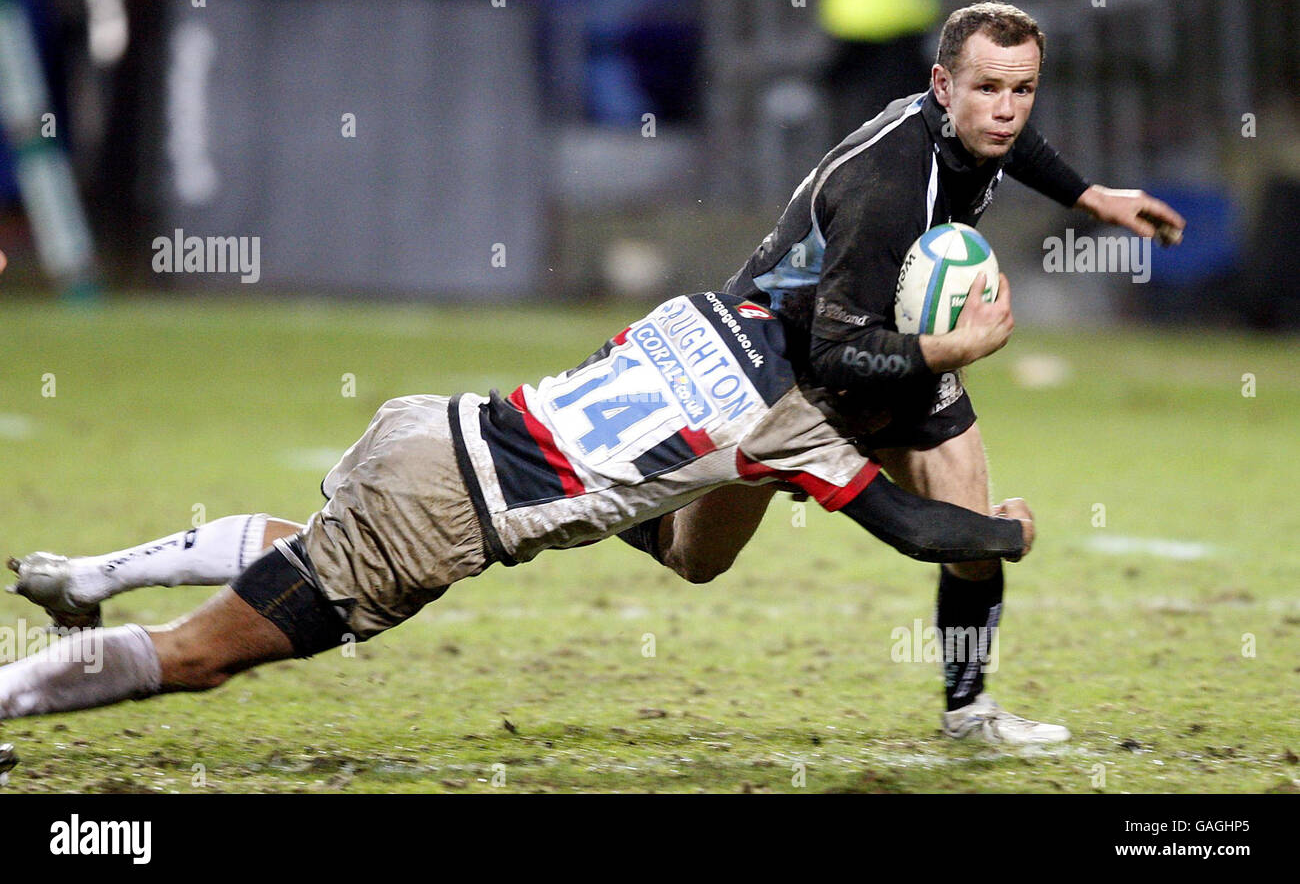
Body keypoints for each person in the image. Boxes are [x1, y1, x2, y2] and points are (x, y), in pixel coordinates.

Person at [0, 290, 1036, 765]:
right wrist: (1006, 534)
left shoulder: (722, 310)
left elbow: (620, 421)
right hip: (442, 513)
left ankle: (90, 573)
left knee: (306, 544)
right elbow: (908, 524)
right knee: (201, 660)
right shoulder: (800, 430)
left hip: (431, 427)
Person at [615, 1, 1187, 745]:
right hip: (779, 368)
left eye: (1023, 89)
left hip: (892, 347)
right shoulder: (886, 187)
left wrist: (1092, 196)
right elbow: (831, 355)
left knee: (973, 538)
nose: (1008, 110)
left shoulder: (982, 125)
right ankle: (622, 505)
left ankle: (968, 709)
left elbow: (1018, 146)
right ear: (942, 86)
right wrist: (951, 349)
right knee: (698, 561)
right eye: (989, 89)